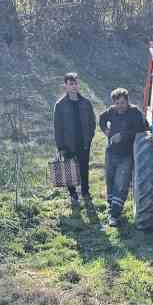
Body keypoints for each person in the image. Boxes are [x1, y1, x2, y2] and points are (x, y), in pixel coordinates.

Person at [97, 87, 149, 226]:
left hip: (127, 155)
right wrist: (106, 130)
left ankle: (114, 215)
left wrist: (123, 135)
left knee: (121, 184)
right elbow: (101, 119)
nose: (120, 106)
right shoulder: (111, 111)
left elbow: (142, 129)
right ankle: (111, 208)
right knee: (110, 181)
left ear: (127, 101)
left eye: (122, 103)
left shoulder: (135, 113)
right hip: (111, 152)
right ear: (113, 103)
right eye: (117, 103)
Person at [52, 72, 96, 205]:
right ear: (65, 85)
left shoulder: (86, 103)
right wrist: (61, 146)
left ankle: (85, 192)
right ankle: (73, 195)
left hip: (84, 142)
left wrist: (89, 138)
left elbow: (92, 122)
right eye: (71, 84)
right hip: (68, 143)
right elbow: (57, 127)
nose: (74, 86)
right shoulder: (60, 105)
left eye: (76, 83)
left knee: (84, 168)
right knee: (69, 169)